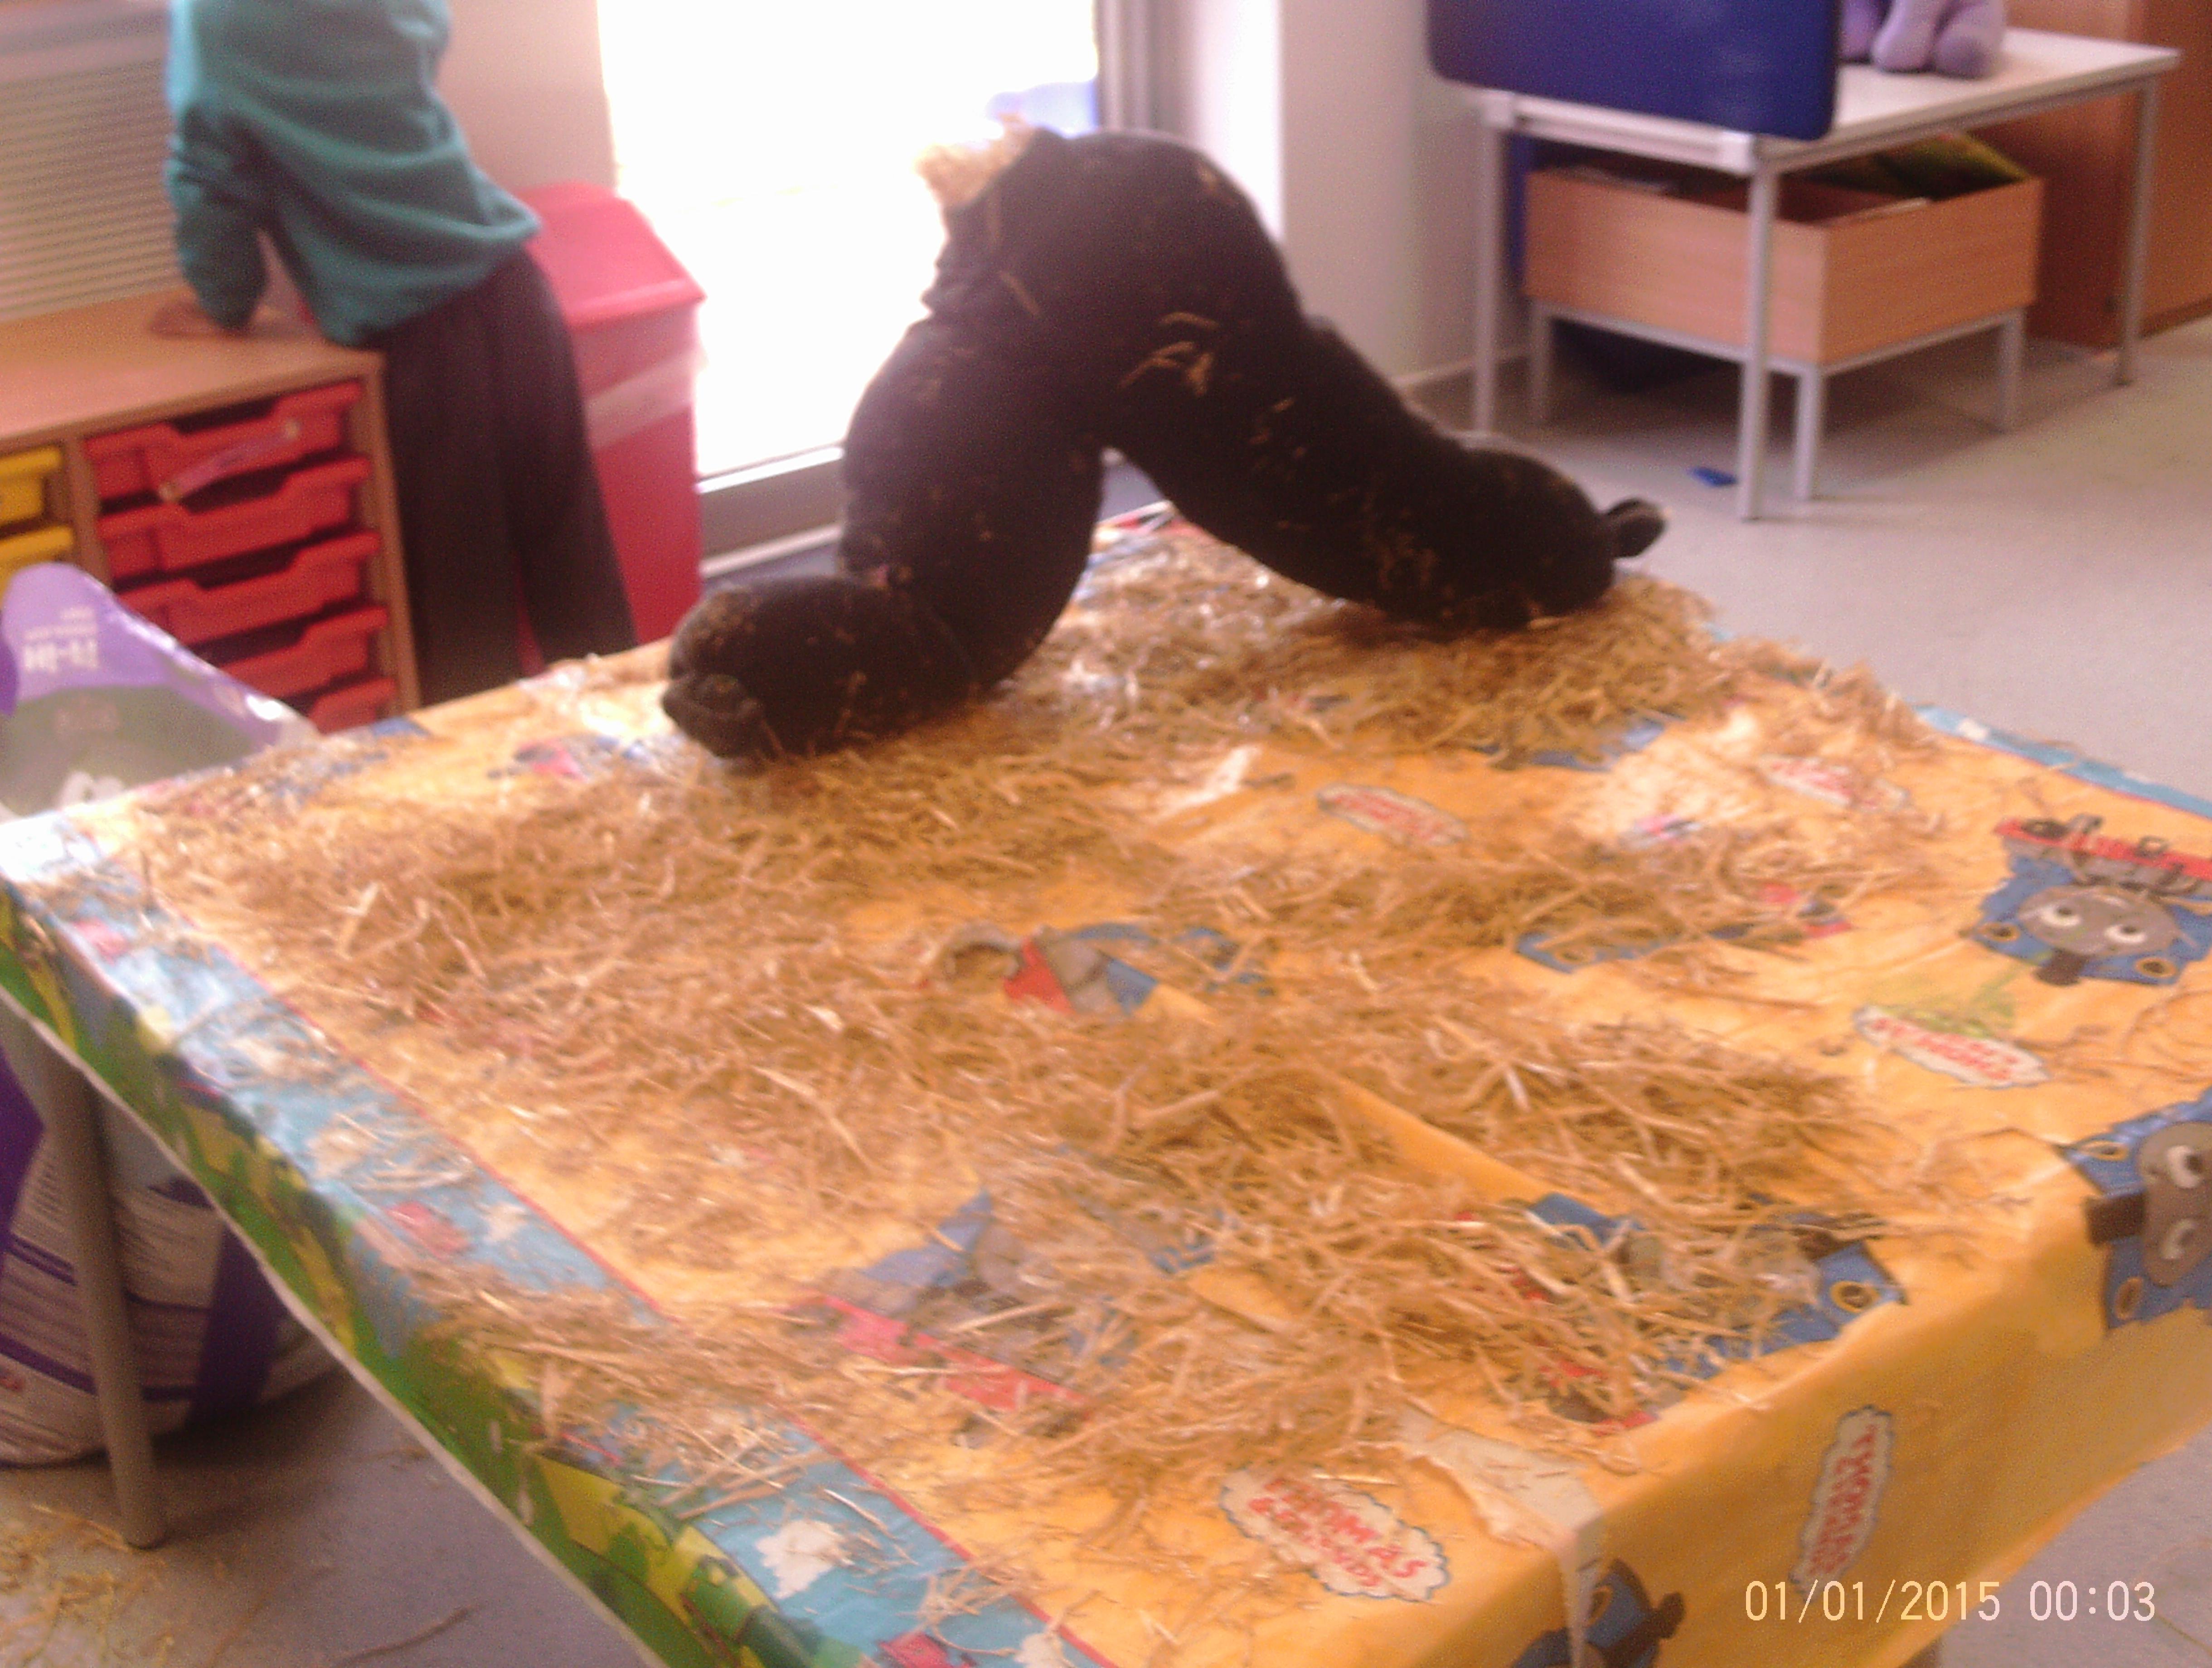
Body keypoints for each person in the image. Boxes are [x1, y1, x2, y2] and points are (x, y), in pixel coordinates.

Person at [157, 0, 638, 706]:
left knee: (459, 606)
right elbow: (428, 34)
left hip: (417, 340)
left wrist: (223, 302)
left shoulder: (217, 19)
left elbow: (209, 177)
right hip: (515, 294)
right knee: (575, 568)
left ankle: (487, 770)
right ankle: (631, 739)